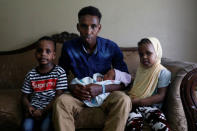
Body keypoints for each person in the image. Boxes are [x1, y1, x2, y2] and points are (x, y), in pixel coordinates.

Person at [53, 6, 132, 131]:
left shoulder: (111, 47)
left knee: (124, 100)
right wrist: (73, 88)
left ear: (99, 28)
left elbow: (126, 81)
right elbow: (60, 77)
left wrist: (102, 88)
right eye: (84, 26)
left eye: (93, 26)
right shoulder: (69, 47)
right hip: (79, 95)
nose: (88, 31)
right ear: (78, 27)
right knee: (60, 102)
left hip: (105, 94)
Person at [21, 36, 67, 131]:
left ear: (54, 55)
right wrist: (29, 107)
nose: (43, 54)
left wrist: (42, 111)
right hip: (33, 110)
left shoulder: (59, 72)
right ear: (35, 54)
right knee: (26, 127)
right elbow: (24, 97)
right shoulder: (31, 74)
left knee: (45, 128)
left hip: (50, 109)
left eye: (48, 51)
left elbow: (58, 96)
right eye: (39, 51)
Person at [125, 37, 171, 131]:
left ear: (157, 53)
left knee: (162, 126)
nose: (144, 57)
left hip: (152, 108)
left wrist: (140, 101)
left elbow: (161, 95)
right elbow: (136, 88)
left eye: (148, 53)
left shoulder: (163, 72)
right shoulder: (140, 70)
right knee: (132, 126)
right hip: (134, 107)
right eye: (141, 55)